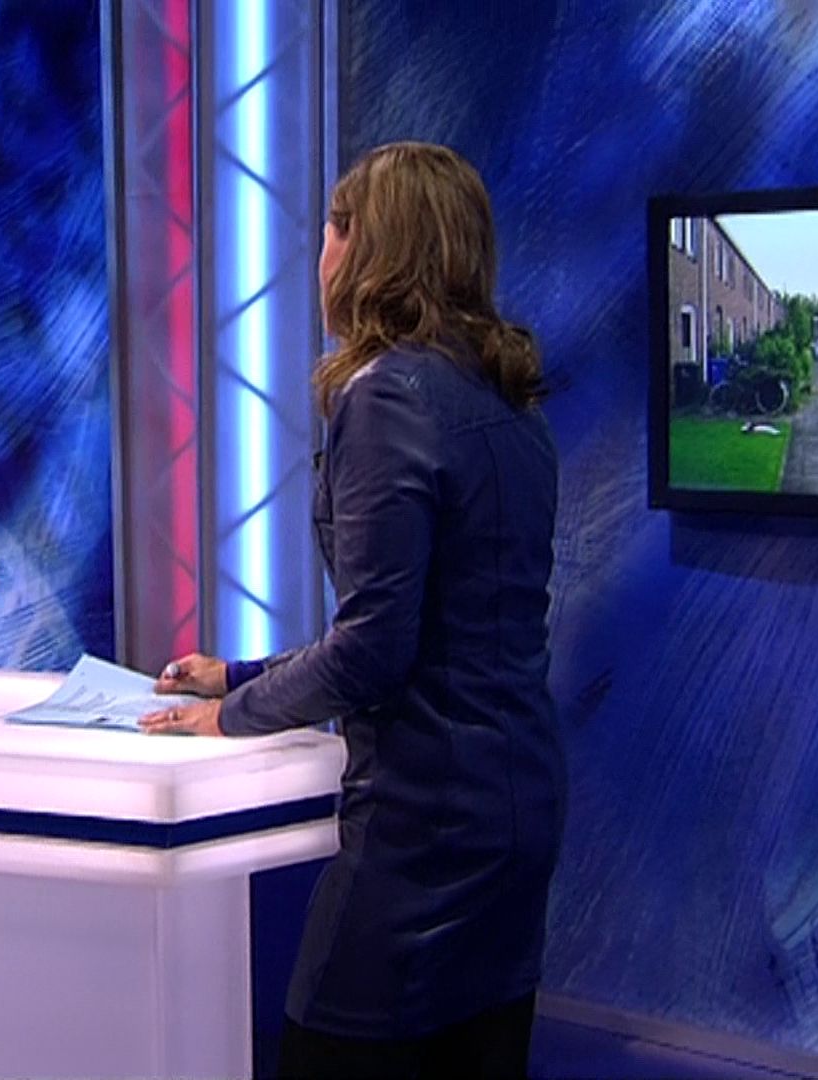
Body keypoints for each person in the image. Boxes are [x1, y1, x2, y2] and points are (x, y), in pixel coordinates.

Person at [140, 142, 566, 1079]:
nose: (321, 251)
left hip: (425, 829)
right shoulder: (509, 397)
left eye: (336, 226)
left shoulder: (387, 397)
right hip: (518, 804)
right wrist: (239, 672)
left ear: (373, 249)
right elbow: (437, 619)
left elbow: (375, 649)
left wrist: (232, 714)